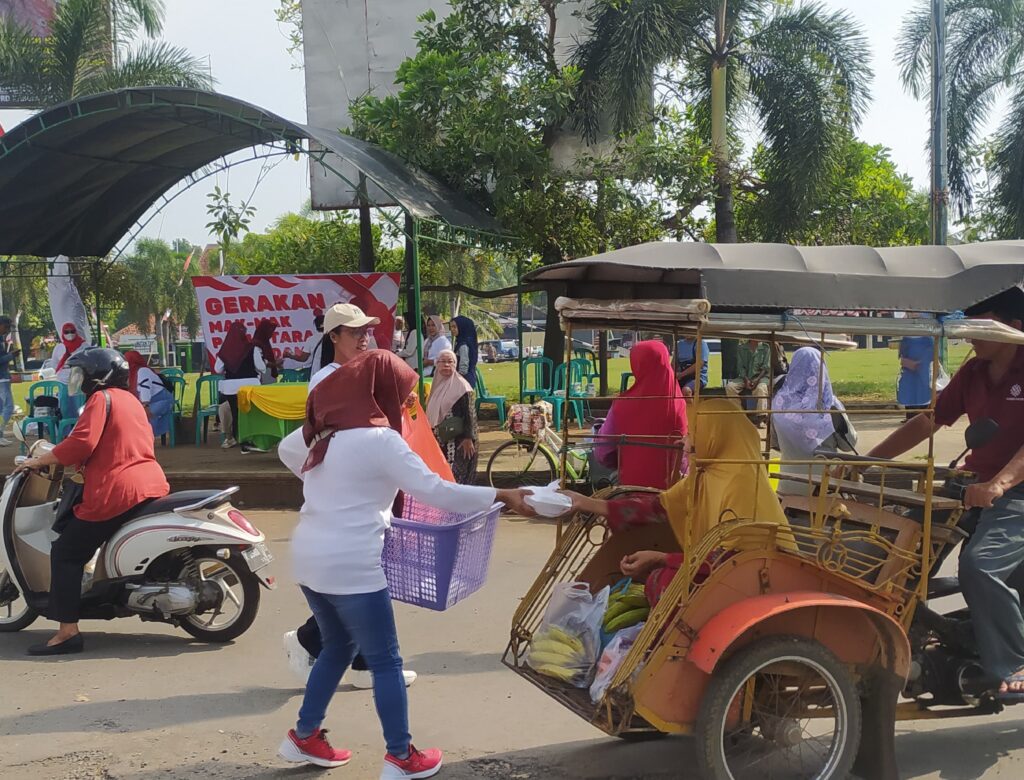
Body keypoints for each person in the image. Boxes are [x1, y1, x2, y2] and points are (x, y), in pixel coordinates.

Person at [276, 350, 532, 774]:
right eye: (403, 394)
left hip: (309, 558)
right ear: (381, 394)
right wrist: (502, 494)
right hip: (352, 565)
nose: (407, 403)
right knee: (387, 661)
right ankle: (401, 755)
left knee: (339, 646)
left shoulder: (322, 431)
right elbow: (438, 492)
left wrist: (331, 486)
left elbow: (287, 451)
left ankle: (303, 738)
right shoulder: (380, 441)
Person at [865, 287, 1024, 696]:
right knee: (901, 545)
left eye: (978, 326)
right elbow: (928, 421)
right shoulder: (973, 372)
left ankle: (1015, 664)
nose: (969, 337)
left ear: (1013, 325)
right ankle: (896, 634)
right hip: (974, 487)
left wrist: (999, 484)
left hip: (1016, 492)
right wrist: (869, 463)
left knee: (979, 567)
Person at [283, 303, 419, 690]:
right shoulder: (326, 381)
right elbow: (308, 449)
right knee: (361, 583)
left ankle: (362, 663)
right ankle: (311, 640)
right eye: (354, 332)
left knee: (369, 577)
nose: (363, 338)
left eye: (366, 332)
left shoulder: (370, 372)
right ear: (333, 338)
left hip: (370, 491)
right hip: (349, 501)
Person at [16, 347, 170, 656]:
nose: (78, 380)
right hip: (148, 483)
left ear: (98, 377)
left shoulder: (101, 399)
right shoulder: (130, 400)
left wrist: (42, 459)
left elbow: (82, 442)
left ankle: (67, 632)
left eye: (81, 374)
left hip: (116, 490)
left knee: (66, 552)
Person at [564, 398, 793, 606]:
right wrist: (587, 503)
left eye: (692, 434)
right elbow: (658, 508)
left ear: (713, 435)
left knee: (666, 582)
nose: (684, 442)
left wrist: (662, 558)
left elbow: (729, 558)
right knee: (659, 579)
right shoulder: (708, 473)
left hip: (759, 576)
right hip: (731, 570)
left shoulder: (740, 482)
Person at [595, 340, 687, 490]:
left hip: (633, 490)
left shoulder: (622, 405)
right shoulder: (680, 402)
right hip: (678, 489)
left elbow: (602, 453)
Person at [771, 347, 856, 495]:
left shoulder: (779, 403)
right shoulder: (829, 404)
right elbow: (849, 444)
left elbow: (775, 443)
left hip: (787, 487)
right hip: (824, 489)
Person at [426, 350, 478, 484]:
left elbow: (470, 412)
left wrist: (468, 438)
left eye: (451, 362)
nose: (446, 365)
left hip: (459, 441)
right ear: (436, 364)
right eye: (442, 361)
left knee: (456, 478)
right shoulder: (437, 386)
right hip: (442, 439)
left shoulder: (462, 386)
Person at [214, 321, 265, 450]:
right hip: (250, 387)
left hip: (230, 388)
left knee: (236, 414)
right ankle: (249, 440)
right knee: (250, 414)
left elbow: (217, 369)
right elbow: (261, 368)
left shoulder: (224, 351)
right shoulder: (252, 349)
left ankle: (239, 439)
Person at [124, 350, 175, 441]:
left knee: (143, 416)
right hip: (147, 403)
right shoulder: (131, 374)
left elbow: (145, 390)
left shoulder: (142, 371)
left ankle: (145, 440)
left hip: (163, 401)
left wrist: (145, 406)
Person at [725, 338, 771, 422]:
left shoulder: (765, 348)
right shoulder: (741, 348)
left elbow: (766, 367)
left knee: (761, 389)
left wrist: (757, 379)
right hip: (745, 377)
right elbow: (740, 366)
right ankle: (740, 415)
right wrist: (746, 379)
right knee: (730, 387)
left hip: (761, 377)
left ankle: (761, 417)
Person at [897, 334, 935, 418]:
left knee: (923, 393)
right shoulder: (906, 339)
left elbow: (932, 354)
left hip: (923, 372)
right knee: (910, 393)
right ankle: (910, 417)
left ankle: (924, 417)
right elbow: (902, 356)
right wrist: (908, 363)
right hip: (908, 373)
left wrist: (920, 363)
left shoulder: (928, 339)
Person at [0, 316, 20, 446]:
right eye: (6, 327)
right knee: (8, 407)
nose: (7, 330)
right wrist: (12, 355)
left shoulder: (1, 339)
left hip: (3, 376)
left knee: (3, 407)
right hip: (1, 378)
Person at [450, 315, 479, 385]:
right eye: (451, 327)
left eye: (454, 327)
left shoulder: (463, 344)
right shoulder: (466, 341)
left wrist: (458, 379)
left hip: (464, 380)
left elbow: (464, 366)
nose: (452, 329)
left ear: (462, 327)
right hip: (468, 378)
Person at [252, 319, 280, 384]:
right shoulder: (256, 344)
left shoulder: (265, 342)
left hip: (268, 375)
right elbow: (260, 362)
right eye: (270, 331)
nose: (272, 334)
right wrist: (275, 364)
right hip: (262, 375)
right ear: (264, 331)